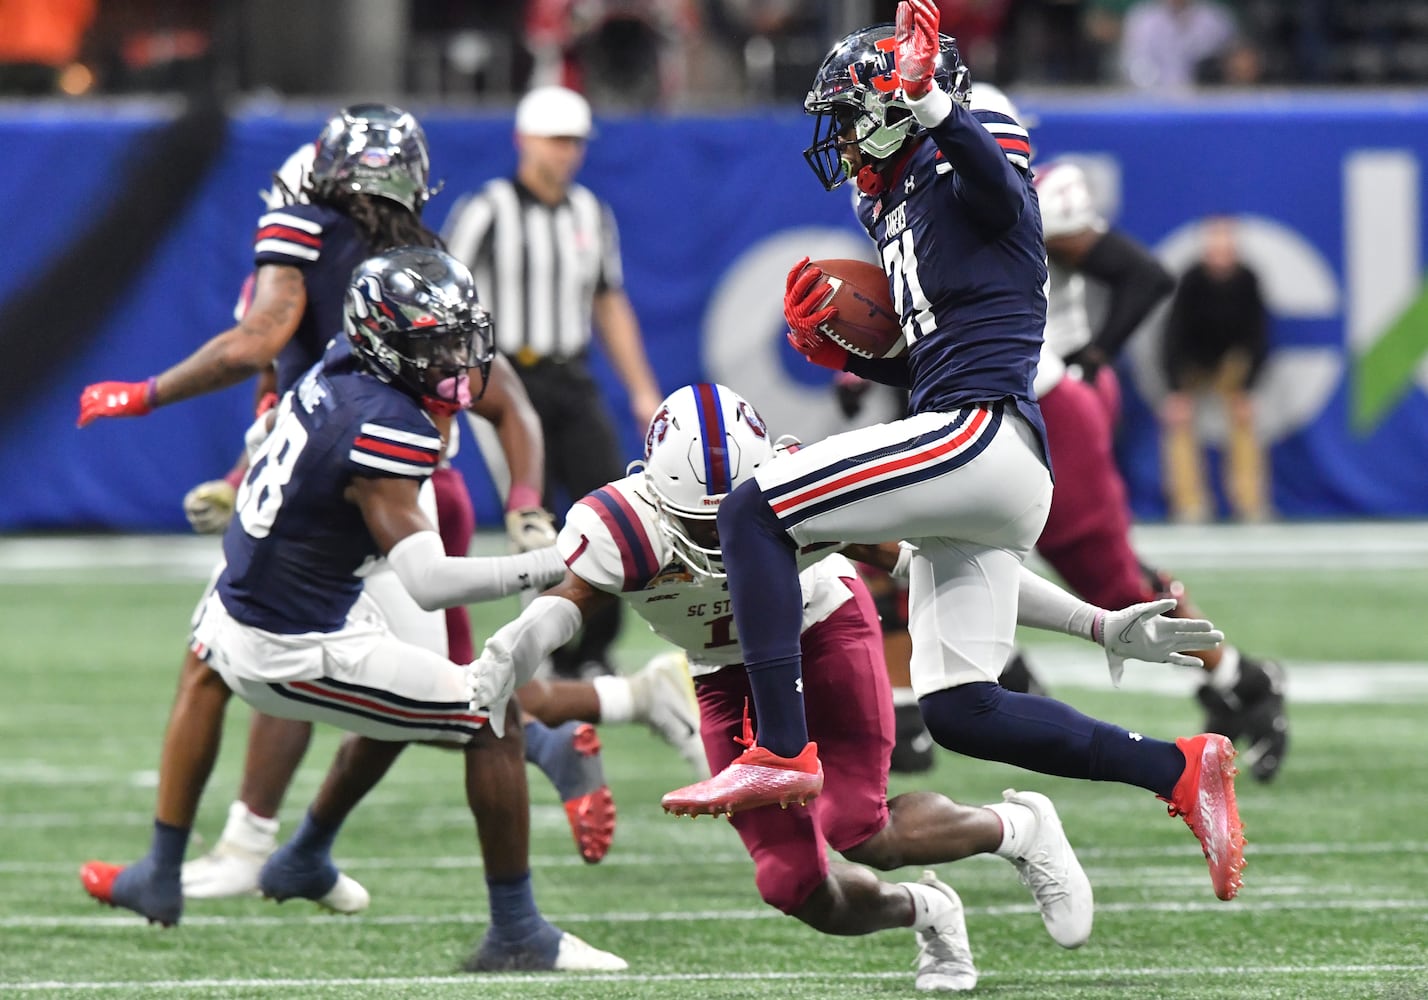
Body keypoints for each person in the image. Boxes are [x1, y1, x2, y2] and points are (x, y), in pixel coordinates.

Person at [655, 2, 1246, 902]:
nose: (841, 141)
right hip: (978, 449)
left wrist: (931, 101)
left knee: (754, 508)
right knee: (962, 708)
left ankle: (779, 747)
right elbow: (933, 343)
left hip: (984, 430)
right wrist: (862, 352)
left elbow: (1005, 197)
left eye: (852, 118)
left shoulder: (964, 148)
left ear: (901, 106)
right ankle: (1178, 768)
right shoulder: (891, 201)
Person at [464, 382, 1231, 988]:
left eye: (731, 519)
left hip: (823, 633)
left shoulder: (797, 494)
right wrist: (516, 640)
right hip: (725, 683)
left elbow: (951, 571)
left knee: (857, 828)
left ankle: (1019, 830)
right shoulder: (622, 525)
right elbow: (566, 607)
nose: (722, 542)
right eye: (702, 527)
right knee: (792, 886)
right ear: (652, 494)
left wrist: (1095, 623)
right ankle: (927, 910)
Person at [74, 108, 611, 900]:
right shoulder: (408, 275)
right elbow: (314, 389)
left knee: (449, 697)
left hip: (370, 492)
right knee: (399, 684)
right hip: (380, 486)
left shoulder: (332, 278)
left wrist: (152, 398)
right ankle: (270, 851)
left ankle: (523, 780)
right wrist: (537, 528)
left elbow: (268, 353)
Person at [995, 104, 1287, 782]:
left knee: (1115, 588)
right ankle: (998, 685)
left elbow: (1146, 274)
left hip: (1051, 403)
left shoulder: (1026, 203)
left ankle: (1244, 684)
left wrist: (1096, 354)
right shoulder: (920, 212)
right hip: (999, 408)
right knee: (935, 544)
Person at [442, 83, 662, 681]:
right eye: (556, 139)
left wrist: (642, 389)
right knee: (532, 518)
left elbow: (609, 302)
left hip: (571, 375)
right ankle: (535, 655)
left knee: (614, 511)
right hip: (504, 382)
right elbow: (448, 294)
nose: (567, 152)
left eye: (575, 142)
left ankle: (589, 651)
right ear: (524, 140)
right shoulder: (487, 208)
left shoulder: (591, 211)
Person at [1159, 214, 1273, 524]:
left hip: (1231, 362)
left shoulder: (1248, 280)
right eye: (1215, 246)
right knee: (1178, 423)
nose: (1220, 254)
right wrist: (1175, 392)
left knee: (1244, 420)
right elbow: (1174, 335)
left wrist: (1247, 390)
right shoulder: (1192, 280)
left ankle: (1250, 503)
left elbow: (1257, 336)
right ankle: (1189, 504)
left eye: (1227, 246)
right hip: (1193, 360)